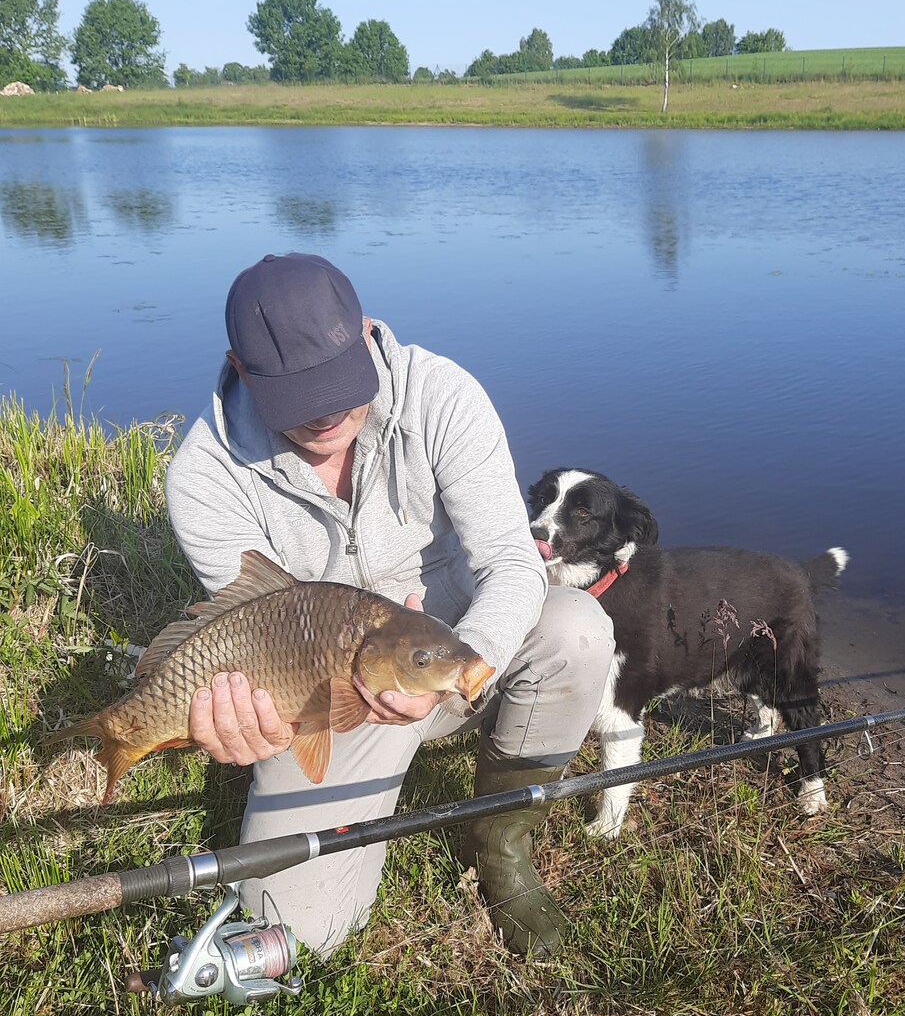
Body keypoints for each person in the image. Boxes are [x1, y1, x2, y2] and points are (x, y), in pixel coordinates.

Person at [165, 252, 615, 958]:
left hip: (453, 649)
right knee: (295, 931)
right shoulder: (204, 478)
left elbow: (510, 562)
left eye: (340, 385)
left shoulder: (442, 395)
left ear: (367, 334)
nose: (325, 412)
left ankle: (500, 844)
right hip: (328, 696)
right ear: (241, 369)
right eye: (297, 395)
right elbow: (244, 633)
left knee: (579, 629)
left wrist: (477, 657)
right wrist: (248, 725)